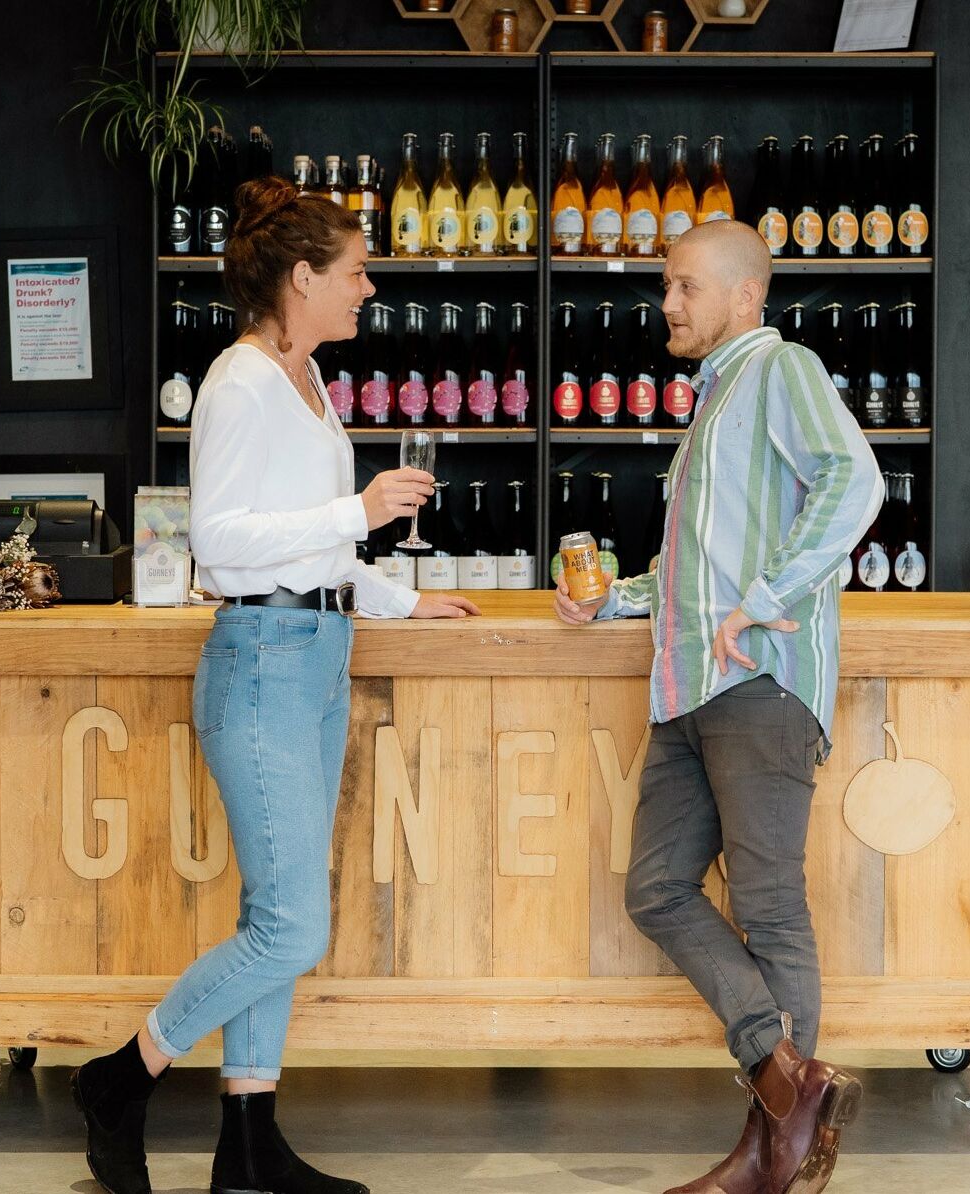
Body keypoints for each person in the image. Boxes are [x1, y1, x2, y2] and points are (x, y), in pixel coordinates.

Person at [71, 176, 480, 1194]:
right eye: (352, 271)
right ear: (300, 278)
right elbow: (220, 540)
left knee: (271, 912)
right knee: (293, 927)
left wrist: (391, 599)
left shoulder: (304, 378)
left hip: (313, 661)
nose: (367, 286)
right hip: (259, 667)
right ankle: (122, 1077)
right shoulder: (240, 382)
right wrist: (359, 510)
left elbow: (311, 545)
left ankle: (247, 1155)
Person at [555, 218, 883, 1194]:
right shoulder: (712, 405)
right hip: (690, 689)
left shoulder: (780, 369)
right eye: (667, 286)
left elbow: (854, 482)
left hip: (759, 684)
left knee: (770, 908)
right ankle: (790, 1084)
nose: (667, 304)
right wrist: (610, 598)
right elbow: (695, 571)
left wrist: (770, 598)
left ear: (744, 296)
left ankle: (767, 1158)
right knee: (655, 888)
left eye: (685, 286)